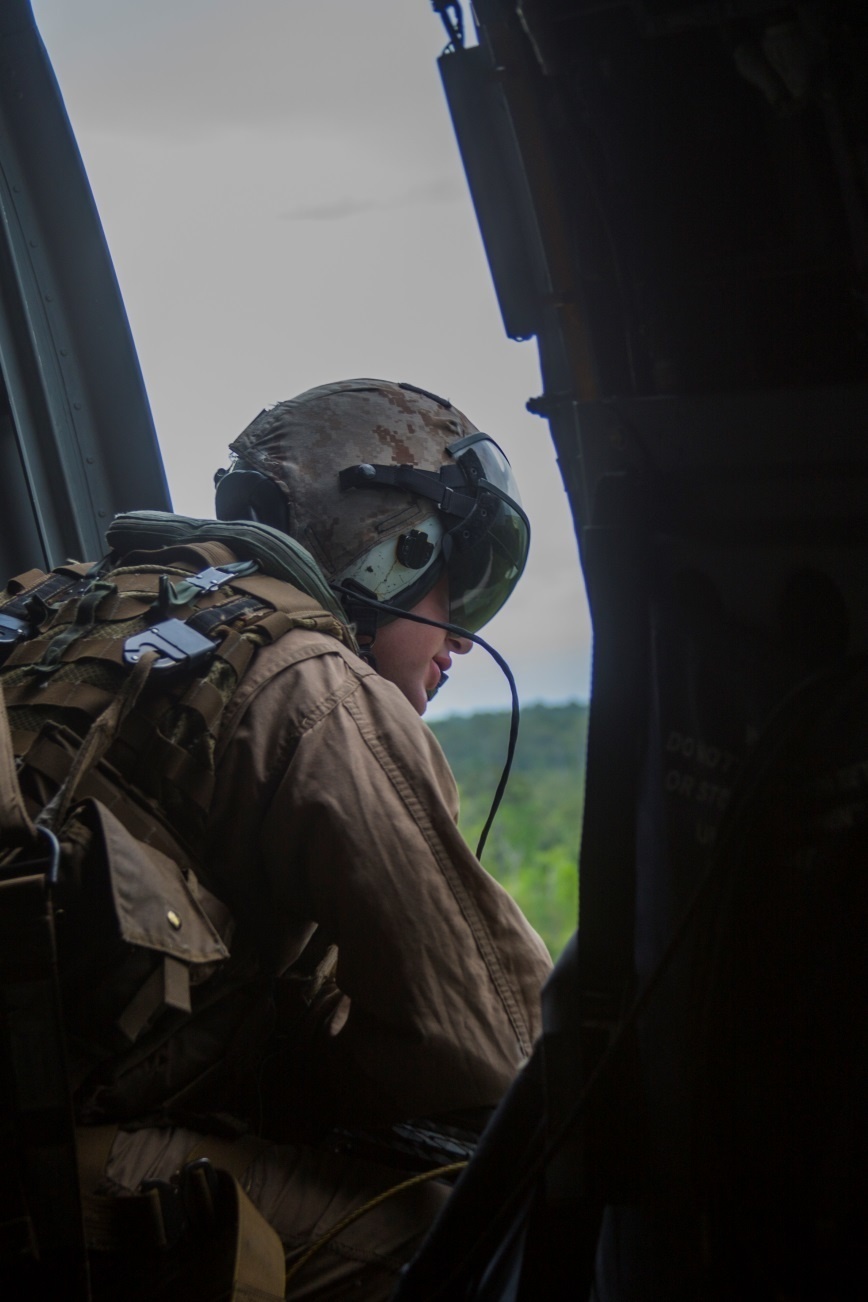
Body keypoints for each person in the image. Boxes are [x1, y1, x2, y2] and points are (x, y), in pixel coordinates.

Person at [0, 379, 551, 1298]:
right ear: (397, 554)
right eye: (452, 592)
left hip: (42, 1119)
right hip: (50, 1172)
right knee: (486, 1240)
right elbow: (492, 1046)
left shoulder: (60, 610)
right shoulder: (314, 688)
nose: (456, 642)